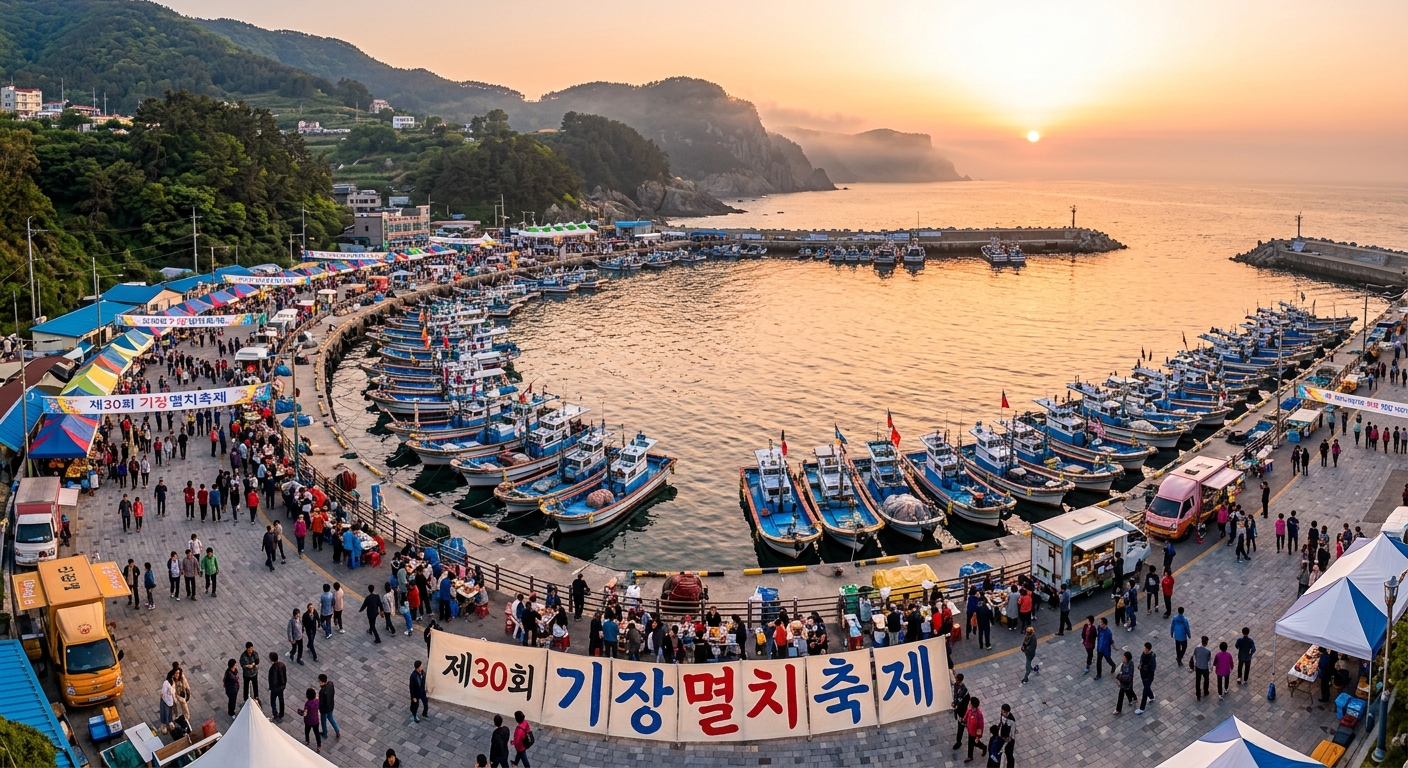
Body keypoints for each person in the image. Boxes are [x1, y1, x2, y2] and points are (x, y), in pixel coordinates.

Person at [951, 673, 971, 753]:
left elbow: (961, 699)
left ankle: (959, 741)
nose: (955, 680)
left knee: (961, 726)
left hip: (962, 711)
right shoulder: (956, 685)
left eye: (956, 679)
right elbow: (955, 695)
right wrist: (954, 702)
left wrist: (957, 705)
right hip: (958, 710)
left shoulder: (963, 689)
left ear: (959, 680)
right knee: (961, 724)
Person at [963, 696, 986, 763]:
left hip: (974, 733)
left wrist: (978, 737)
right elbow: (966, 716)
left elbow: (980, 727)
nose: (968, 703)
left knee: (974, 743)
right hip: (970, 730)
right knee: (972, 743)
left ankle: (983, 748)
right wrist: (964, 720)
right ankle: (970, 756)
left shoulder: (979, 715)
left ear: (972, 705)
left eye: (970, 702)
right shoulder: (970, 710)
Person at [298, 688, 322, 752]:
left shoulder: (307, 704)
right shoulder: (317, 701)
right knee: (316, 733)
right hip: (315, 720)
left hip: (308, 721)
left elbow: (305, 713)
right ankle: (319, 746)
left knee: (307, 731)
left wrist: (300, 711)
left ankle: (307, 740)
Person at [1136, 642, 1157, 714]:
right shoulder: (1143, 654)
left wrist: (1144, 667)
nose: (1144, 649)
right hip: (1143, 675)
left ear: (1148, 649)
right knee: (1146, 688)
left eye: (1145, 649)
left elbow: (1152, 668)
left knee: (1145, 692)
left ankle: (1141, 708)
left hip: (1149, 677)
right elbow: (1141, 660)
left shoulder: (1152, 657)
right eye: (1144, 648)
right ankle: (1151, 697)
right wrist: (1140, 665)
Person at [318, 674, 340, 740]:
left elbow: (321, 702)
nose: (319, 682)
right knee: (331, 717)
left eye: (319, 681)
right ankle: (337, 730)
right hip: (331, 705)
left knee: (323, 721)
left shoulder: (322, 691)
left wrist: (319, 708)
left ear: (322, 682)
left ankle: (325, 734)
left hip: (324, 709)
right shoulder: (331, 684)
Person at [268, 652, 287, 721]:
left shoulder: (272, 669)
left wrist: (271, 687)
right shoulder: (282, 665)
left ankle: (275, 714)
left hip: (275, 689)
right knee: (281, 700)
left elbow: (273, 680)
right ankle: (281, 713)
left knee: (273, 701)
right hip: (282, 687)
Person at [1191, 635, 1212, 701]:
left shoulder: (1197, 648)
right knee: (1206, 680)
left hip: (1198, 667)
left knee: (1198, 681)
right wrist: (1211, 669)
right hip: (1205, 668)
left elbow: (1194, 656)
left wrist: (1195, 665)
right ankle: (1205, 691)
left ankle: (1198, 695)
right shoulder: (1208, 651)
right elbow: (1209, 660)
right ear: (1207, 643)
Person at [997, 703, 1016, 768]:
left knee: (1009, 754)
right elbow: (1001, 722)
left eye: (1005, 712)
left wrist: (1008, 739)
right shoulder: (1002, 714)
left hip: (1009, 740)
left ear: (1008, 712)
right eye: (1003, 712)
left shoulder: (1012, 721)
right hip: (1002, 735)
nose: (1004, 714)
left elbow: (1012, 733)